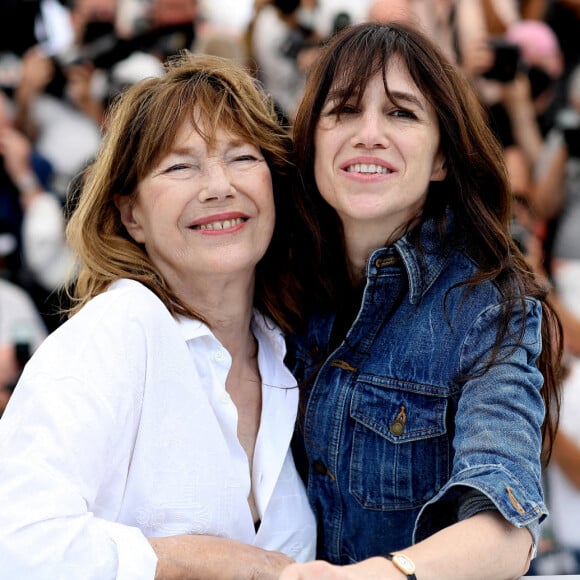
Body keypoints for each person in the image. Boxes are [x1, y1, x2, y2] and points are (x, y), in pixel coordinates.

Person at [0, 52, 317, 578]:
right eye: (181, 166)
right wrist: (190, 562)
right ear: (131, 216)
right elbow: (13, 538)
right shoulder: (119, 330)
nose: (219, 186)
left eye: (242, 157)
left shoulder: (288, 350)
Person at [280, 21, 562, 579]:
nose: (368, 133)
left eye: (400, 113)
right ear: (312, 142)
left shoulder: (486, 306)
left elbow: (506, 529)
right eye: (344, 110)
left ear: (440, 160)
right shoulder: (271, 284)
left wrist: (375, 575)